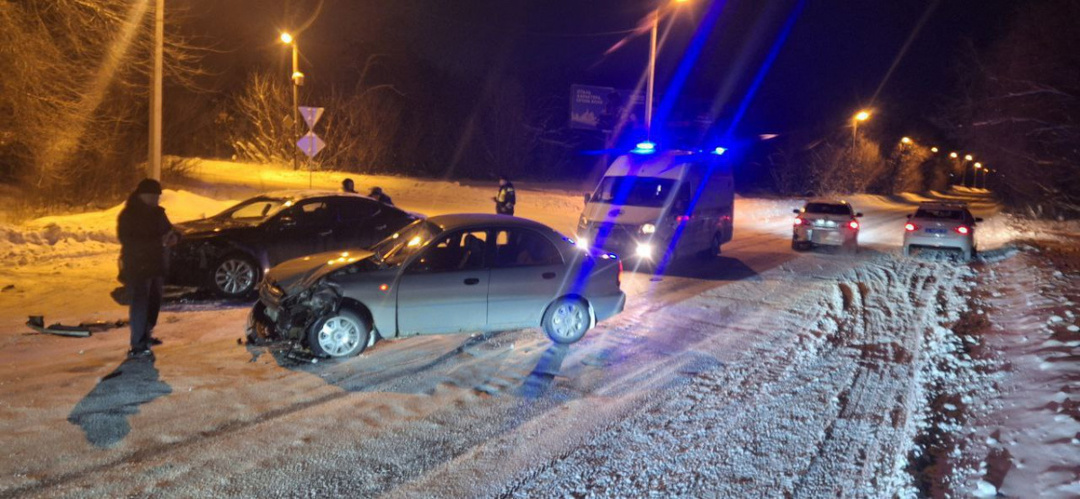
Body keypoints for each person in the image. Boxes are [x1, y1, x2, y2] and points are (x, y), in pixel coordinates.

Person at [117, 179, 178, 360]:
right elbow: (130, 242)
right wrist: (158, 242)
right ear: (142, 195)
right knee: (140, 305)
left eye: (157, 197)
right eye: (152, 196)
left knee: (153, 303)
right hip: (137, 266)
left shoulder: (158, 213)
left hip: (156, 265)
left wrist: (175, 237)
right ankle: (137, 344)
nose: (155, 200)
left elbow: (170, 229)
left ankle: (147, 335)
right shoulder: (129, 215)